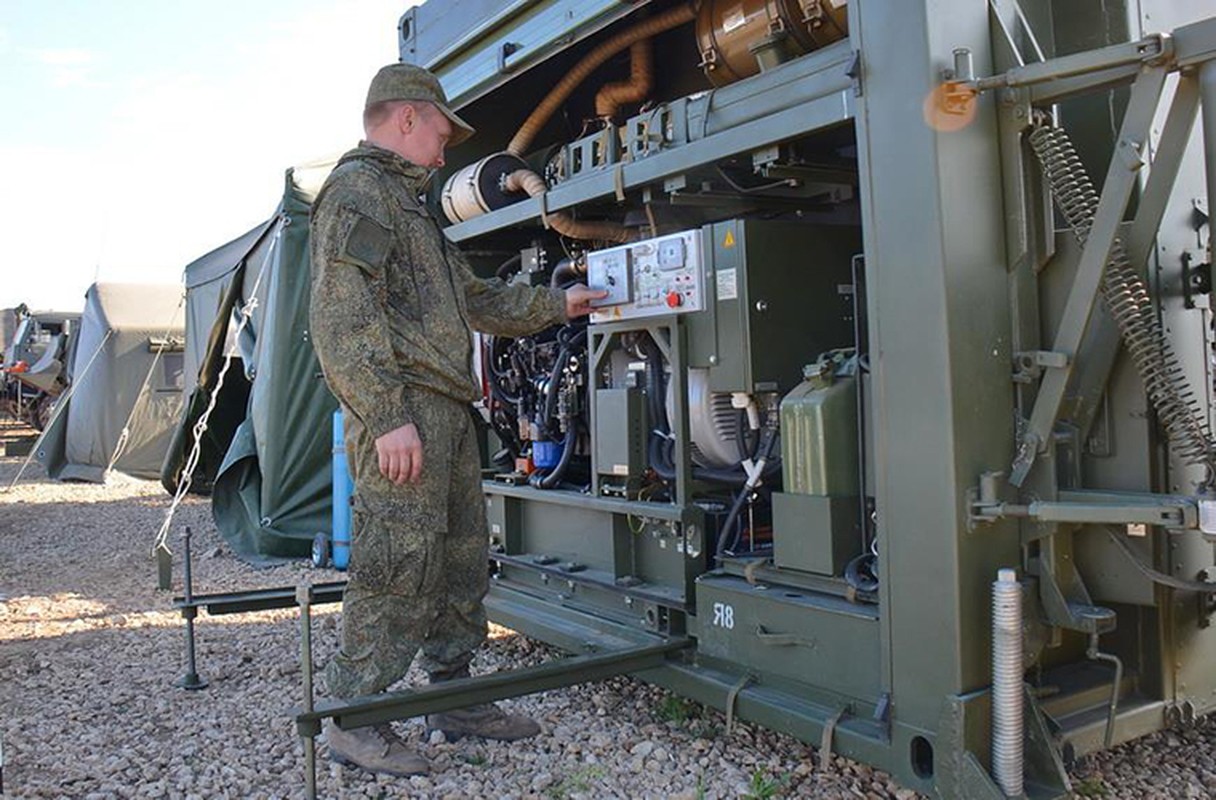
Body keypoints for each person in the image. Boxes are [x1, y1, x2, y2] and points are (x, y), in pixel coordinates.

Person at [309, 62, 607, 777]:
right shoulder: (358, 195)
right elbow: (340, 318)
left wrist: (553, 305)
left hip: (443, 411)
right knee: (396, 566)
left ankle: (454, 696)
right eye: (441, 132)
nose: (447, 154)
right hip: (406, 414)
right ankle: (353, 716)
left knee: (459, 560)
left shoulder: (407, 206)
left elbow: (471, 299)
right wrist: (386, 418)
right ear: (406, 116)